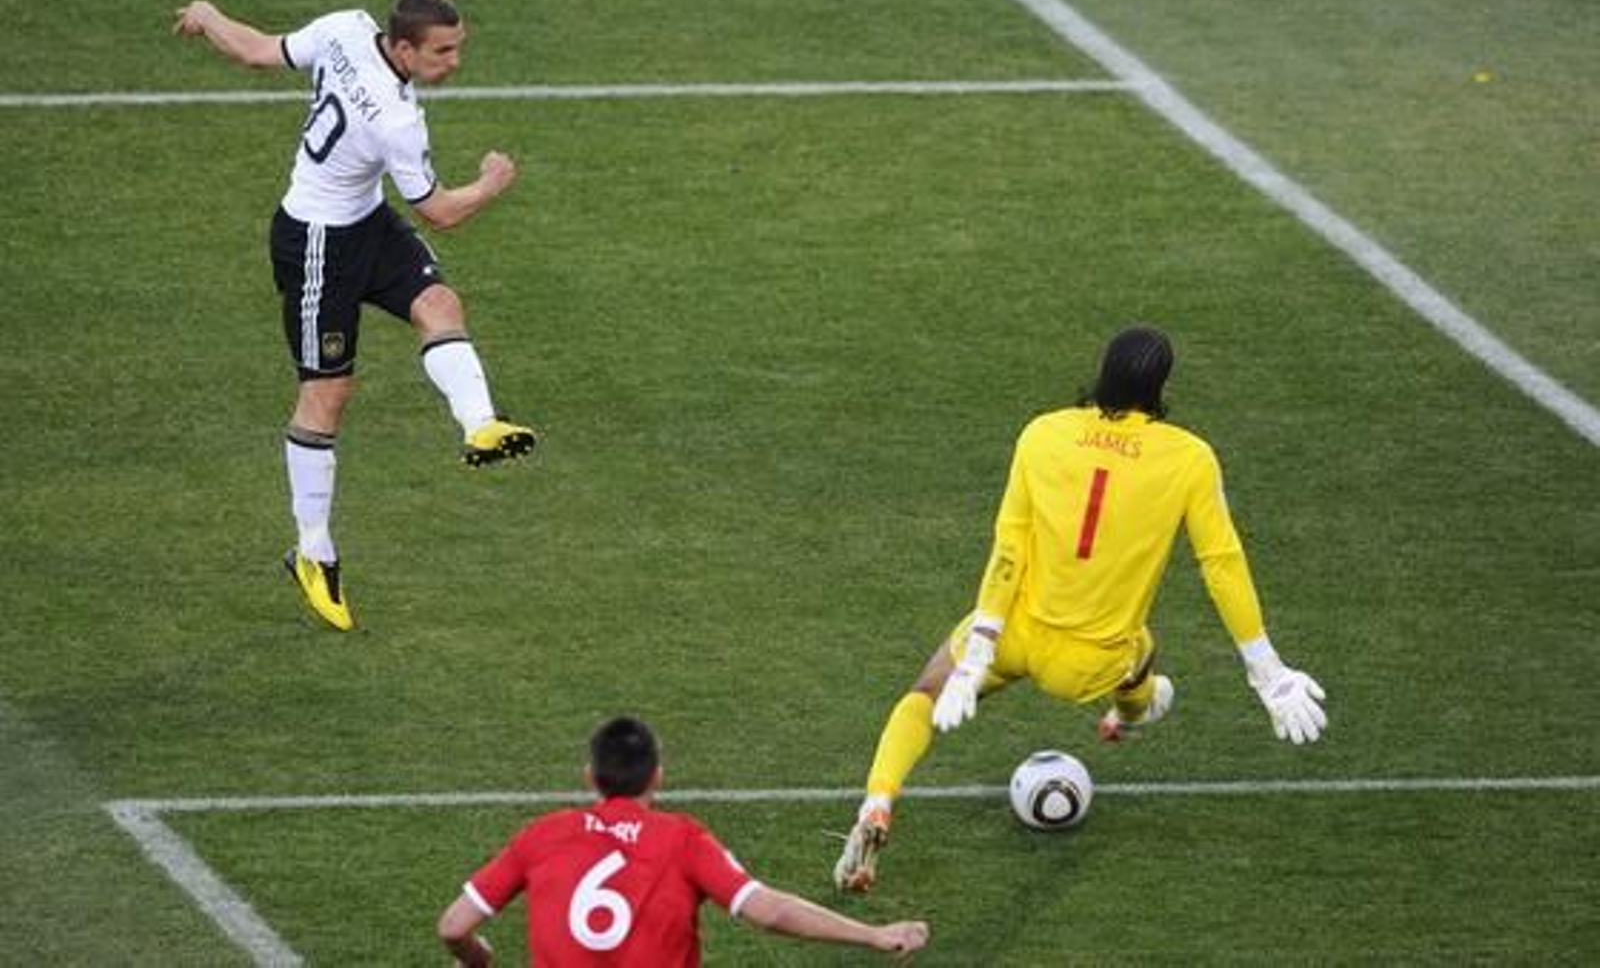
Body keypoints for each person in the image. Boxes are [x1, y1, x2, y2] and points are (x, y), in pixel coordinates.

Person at [833, 326, 1328, 892]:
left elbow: (1009, 548)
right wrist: (1267, 672)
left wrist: (979, 653)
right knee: (1142, 648)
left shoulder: (1042, 433)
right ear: (1161, 387)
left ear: (1102, 372)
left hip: (1016, 627)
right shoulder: (1190, 459)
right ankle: (1132, 712)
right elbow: (1222, 564)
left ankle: (878, 801)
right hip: (1090, 662)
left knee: (924, 694)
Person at [172, 0, 538, 632]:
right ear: (403, 47)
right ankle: (313, 553)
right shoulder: (396, 119)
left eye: (458, 47)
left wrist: (208, 17)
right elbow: (441, 212)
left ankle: (481, 424)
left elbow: (259, 52)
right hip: (316, 243)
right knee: (327, 393)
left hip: (367, 221)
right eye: (442, 52)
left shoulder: (345, 28)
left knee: (439, 302)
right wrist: (492, 182)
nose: (454, 63)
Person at [437, 717, 930, 965]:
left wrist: (476, 957)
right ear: (658, 776)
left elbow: (454, 926)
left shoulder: (543, 835)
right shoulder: (683, 840)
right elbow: (770, 912)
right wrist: (873, 934)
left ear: (590, 775)